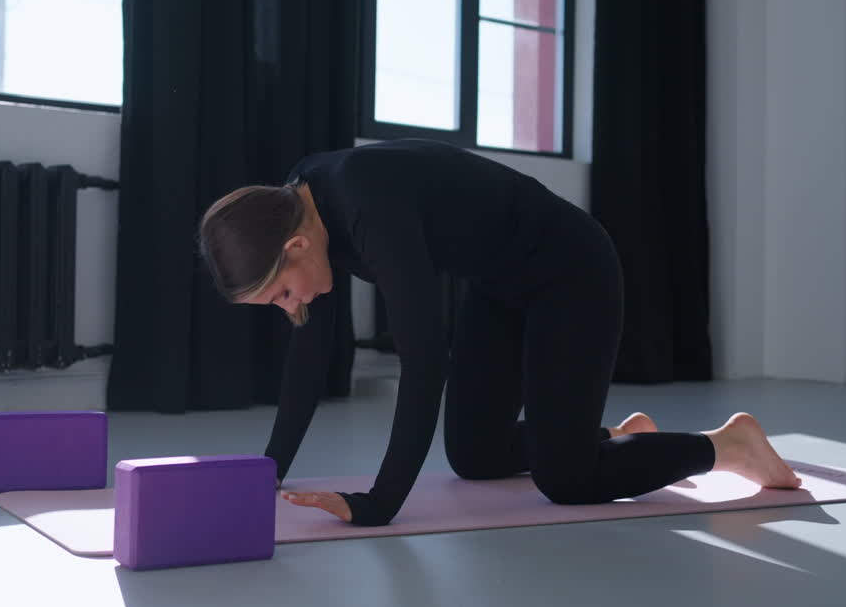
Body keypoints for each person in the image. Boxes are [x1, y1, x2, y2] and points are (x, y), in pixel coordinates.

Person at [197, 139, 800, 527]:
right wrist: (268, 470)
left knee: (566, 479)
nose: (288, 306)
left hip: (572, 272)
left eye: (279, 293)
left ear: (296, 247)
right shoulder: (297, 203)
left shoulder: (365, 206)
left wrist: (378, 505)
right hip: (499, 288)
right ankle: (608, 437)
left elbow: (425, 362)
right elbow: (311, 350)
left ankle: (729, 446)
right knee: (475, 456)